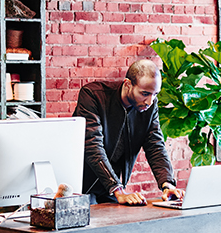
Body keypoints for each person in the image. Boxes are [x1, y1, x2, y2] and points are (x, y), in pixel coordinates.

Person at [73, 60, 185, 205]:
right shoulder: (94, 95)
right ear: (127, 84)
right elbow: (92, 145)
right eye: (144, 93)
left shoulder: (150, 105)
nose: (149, 101)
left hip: (111, 187)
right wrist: (117, 189)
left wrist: (167, 184)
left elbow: (155, 145)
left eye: (155, 94)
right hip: (81, 184)